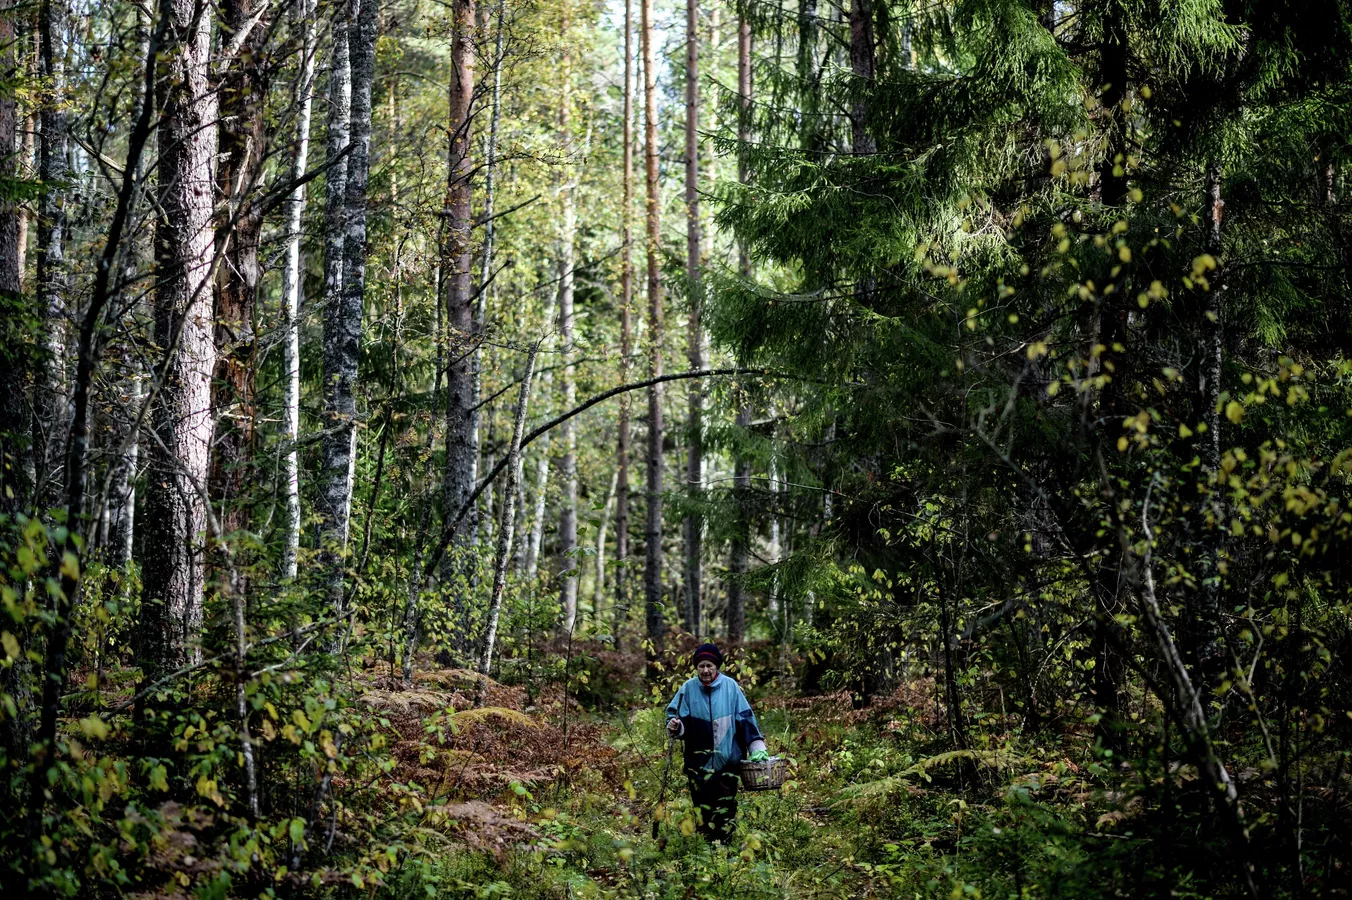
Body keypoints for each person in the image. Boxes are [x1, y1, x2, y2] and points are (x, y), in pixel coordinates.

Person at [664, 642, 769, 841]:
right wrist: (675, 726)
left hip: (727, 762)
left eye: (709, 666)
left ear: (716, 667)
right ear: (696, 667)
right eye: (701, 666)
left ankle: (726, 851)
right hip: (697, 764)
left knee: (726, 808)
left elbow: (745, 718)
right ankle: (706, 850)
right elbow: (674, 717)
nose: (705, 670)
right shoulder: (687, 689)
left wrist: (757, 746)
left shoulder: (731, 687)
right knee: (702, 811)